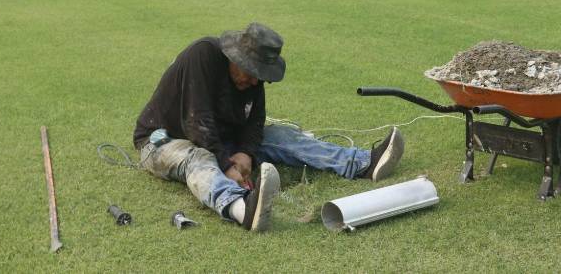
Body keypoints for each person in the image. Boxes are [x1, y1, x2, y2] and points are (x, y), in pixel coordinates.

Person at [133, 23, 404, 232]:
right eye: (251, 72)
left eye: (260, 76)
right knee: (199, 157)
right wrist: (227, 164)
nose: (255, 81)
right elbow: (197, 122)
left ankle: (362, 163)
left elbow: (255, 122)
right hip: (162, 140)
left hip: (220, 140)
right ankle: (242, 209)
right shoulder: (202, 55)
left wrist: (247, 153)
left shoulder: (253, 80)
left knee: (282, 136)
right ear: (234, 57)